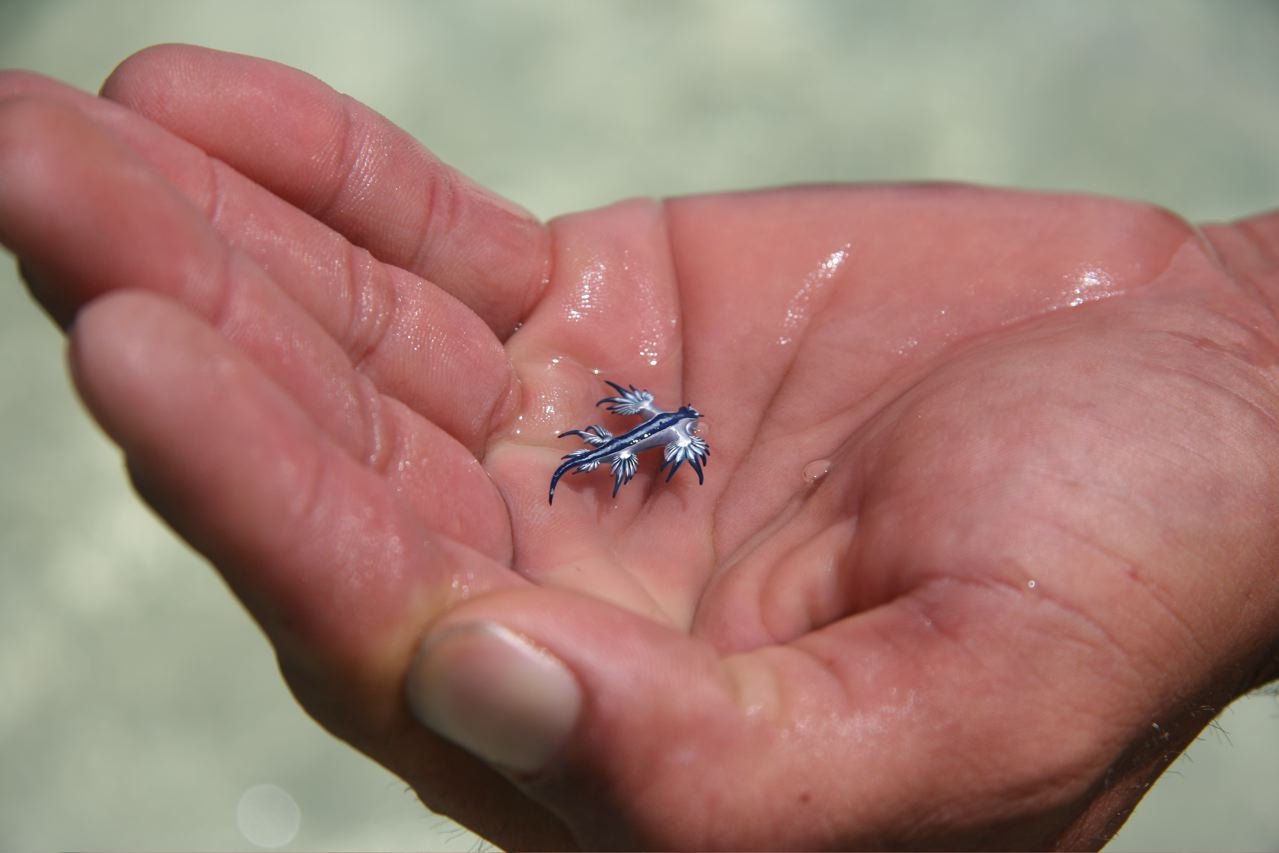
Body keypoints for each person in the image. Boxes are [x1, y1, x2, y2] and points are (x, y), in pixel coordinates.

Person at [1, 44, 1276, 851]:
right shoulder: (645, 430)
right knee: (590, 455)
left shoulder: (666, 439)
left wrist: (1243, 337)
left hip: (640, 431)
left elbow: (667, 445)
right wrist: (1241, 311)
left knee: (595, 458)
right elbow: (640, 430)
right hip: (632, 428)